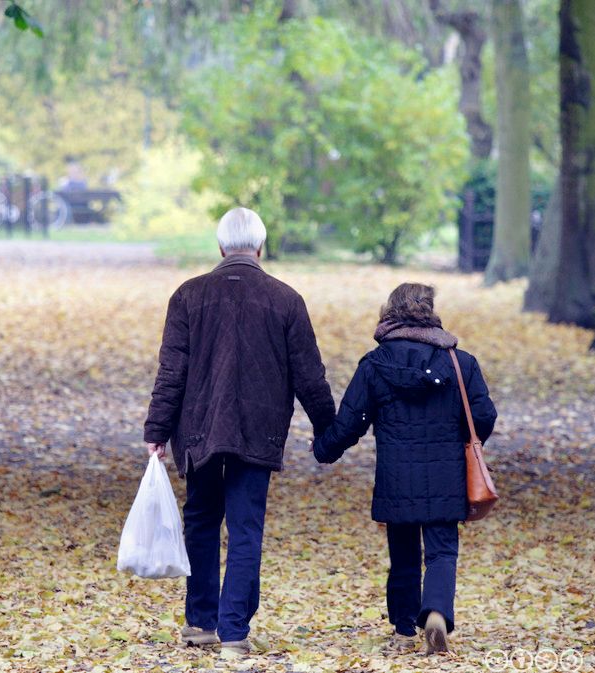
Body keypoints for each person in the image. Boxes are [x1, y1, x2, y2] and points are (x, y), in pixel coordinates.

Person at [144, 207, 336, 657]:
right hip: (259, 429)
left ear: (220, 247)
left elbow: (172, 372)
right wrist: (330, 432)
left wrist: (157, 428)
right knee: (246, 528)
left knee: (202, 522)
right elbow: (310, 376)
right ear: (260, 248)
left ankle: (200, 622)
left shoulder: (188, 296)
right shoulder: (286, 299)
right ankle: (234, 634)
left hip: (199, 430)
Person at [311, 282, 497, 655]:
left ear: (389, 311)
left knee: (404, 553)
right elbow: (484, 416)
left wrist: (324, 449)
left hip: (397, 476)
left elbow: (350, 422)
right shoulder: (460, 363)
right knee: (442, 552)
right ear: (430, 311)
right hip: (447, 474)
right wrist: (456, 437)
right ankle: (438, 614)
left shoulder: (375, 364)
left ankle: (402, 627)